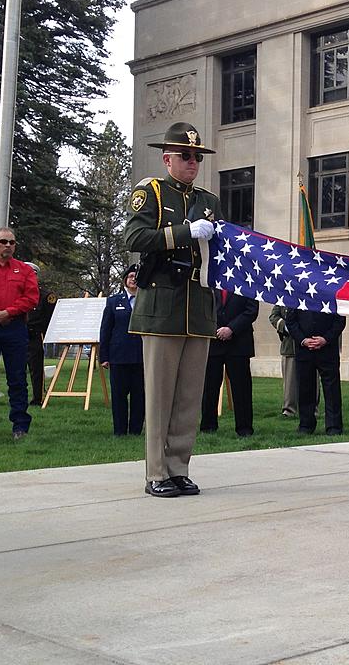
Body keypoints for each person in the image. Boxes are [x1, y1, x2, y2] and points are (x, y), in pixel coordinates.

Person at [124, 121, 221, 498]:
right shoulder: (150, 192)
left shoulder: (208, 202)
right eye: (185, 156)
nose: (192, 162)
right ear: (167, 159)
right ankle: (156, 472)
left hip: (197, 306)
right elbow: (134, 237)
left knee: (188, 397)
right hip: (162, 304)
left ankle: (179, 467)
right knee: (160, 395)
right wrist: (185, 233)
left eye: (197, 156)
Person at [0, 228, 39, 439]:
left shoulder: (24, 270)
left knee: (17, 378)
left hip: (14, 328)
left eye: (11, 242)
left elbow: (31, 298)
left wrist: (8, 312)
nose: (7, 245)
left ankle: (20, 426)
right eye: (3, 241)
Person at [200, 291, 259, 437]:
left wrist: (232, 328)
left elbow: (251, 310)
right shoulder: (211, 280)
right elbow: (202, 308)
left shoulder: (246, 281)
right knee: (210, 386)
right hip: (213, 340)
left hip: (239, 342)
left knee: (241, 388)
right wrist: (214, 329)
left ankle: (244, 428)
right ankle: (208, 426)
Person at [285, 305, 346, 435]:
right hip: (304, 350)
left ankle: (334, 426)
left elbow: (340, 320)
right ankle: (306, 425)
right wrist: (302, 340)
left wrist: (326, 339)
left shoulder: (329, 291)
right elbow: (290, 321)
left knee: (332, 390)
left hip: (328, 349)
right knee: (305, 388)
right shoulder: (298, 292)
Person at [99, 264, 145, 436]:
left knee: (139, 395)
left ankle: (135, 430)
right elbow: (106, 329)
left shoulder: (146, 301)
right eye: (130, 276)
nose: (133, 279)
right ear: (125, 280)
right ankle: (119, 430)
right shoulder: (113, 301)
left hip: (141, 356)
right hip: (118, 355)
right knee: (119, 396)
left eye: (137, 276)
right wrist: (104, 356)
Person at [24, 262, 56, 406]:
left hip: (35, 335)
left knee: (36, 369)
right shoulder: (18, 293)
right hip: (18, 335)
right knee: (17, 368)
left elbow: (49, 319)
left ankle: (37, 397)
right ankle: (19, 396)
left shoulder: (46, 296)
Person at [269, 305, 298, 417]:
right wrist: (286, 327)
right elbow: (273, 316)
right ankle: (289, 409)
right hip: (290, 345)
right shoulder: (284, 295)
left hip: (309, 344)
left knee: (311, 378)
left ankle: (311, 409)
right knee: (290, 381)